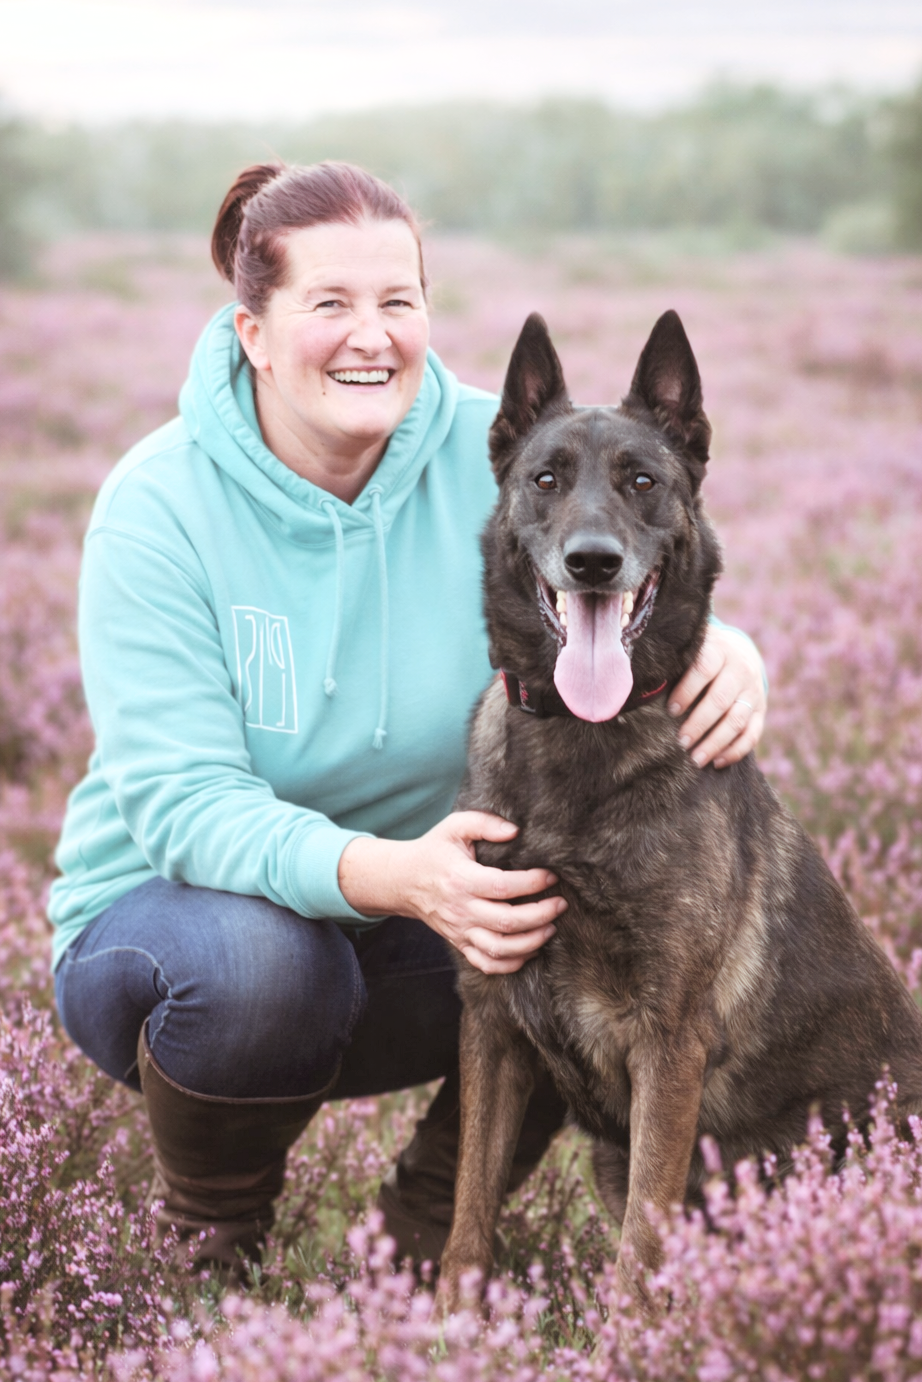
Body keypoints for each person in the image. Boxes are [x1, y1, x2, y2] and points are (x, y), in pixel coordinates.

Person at [49, 161, 768, 1277]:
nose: (369, 336)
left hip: (421, 916)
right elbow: (183, 804)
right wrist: (397, 875)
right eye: (328, 303)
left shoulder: (509, 454)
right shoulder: (159, 505)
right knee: (261, 966)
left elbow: (631, 520)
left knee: (566, 921)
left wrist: (730, 646)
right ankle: (213, 1235)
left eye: (398, 301)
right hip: (180, 924)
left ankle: (424, 1229)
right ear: (253, 329)